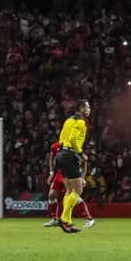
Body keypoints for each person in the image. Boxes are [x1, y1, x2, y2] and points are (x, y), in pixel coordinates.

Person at [55, 99, 91, 233]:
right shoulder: (80, 122)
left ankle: (68, 222)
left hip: (60, 154)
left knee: (69, 191)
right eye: (87, 107)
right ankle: (63, 219)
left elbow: (61, 138)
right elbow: (73, 139)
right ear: (81, 109)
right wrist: (81, 154)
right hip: (70, 155)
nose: (89, 110)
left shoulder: (68, 120)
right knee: (78, 190)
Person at [45, 139, 94, 228]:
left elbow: (84, 163)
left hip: (72, 173)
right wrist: (51, 173)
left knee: (74, 194)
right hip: (60, 173)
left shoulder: (75, 147)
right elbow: (51, 158)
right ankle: (55, 219)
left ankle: (89, 219)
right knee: (51, 195)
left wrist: (82, 178)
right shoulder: (56, 146)